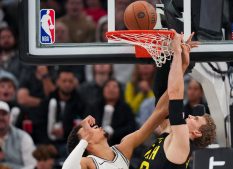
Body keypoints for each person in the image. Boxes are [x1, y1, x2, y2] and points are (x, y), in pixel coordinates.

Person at [62, 30, 208, 169]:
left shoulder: (123, 148)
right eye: (88, 131)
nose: (93, 127)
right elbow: (67, 167)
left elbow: (160, 112)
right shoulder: (88, 162)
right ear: (86, 144)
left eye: (90, 128)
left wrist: (180, 68)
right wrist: (83, 140)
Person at [138, 32, 216, 169]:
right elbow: (161, 105)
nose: (191, 115)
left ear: (196, 133)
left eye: (196, 119)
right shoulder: (173, 136)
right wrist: (182, 66)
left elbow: (175, 95)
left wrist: (177, 53)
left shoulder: (182, 143)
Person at [0, 101, 37, 169]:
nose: (1, 118)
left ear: (9, 117)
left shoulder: (23, 137)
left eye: (4, 114)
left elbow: (32, 165)